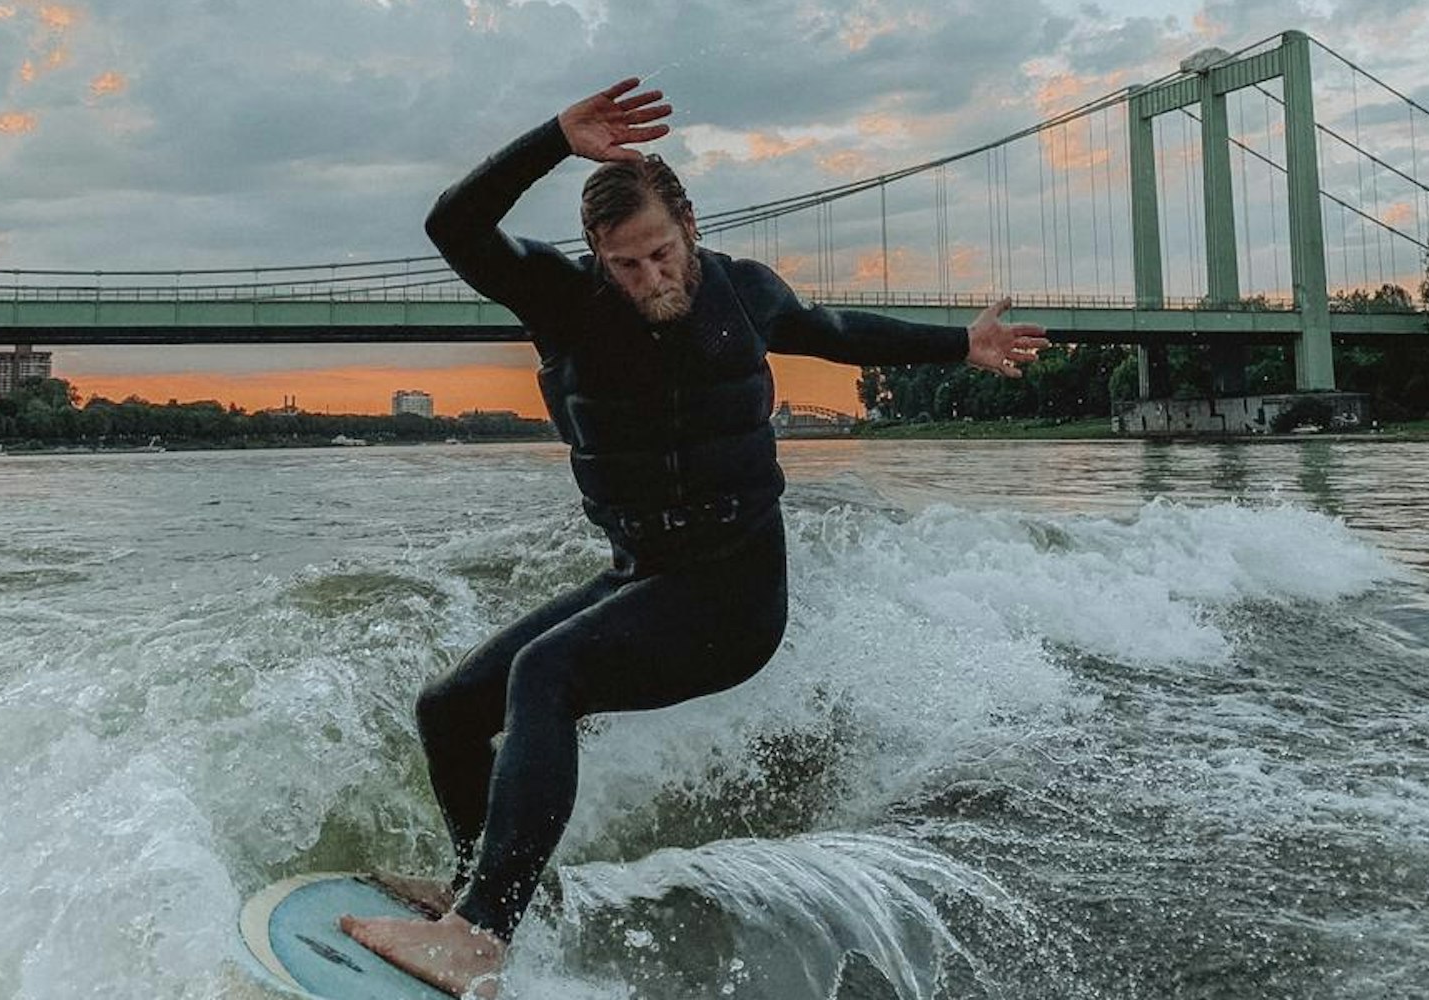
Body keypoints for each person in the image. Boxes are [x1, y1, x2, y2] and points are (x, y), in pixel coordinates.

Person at [339, 77, 1049, 998]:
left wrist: (960, 346)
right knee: (451, 707)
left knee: (541, 676)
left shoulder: (744, 294)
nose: (650, 281)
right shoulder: (562, 301)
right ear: (596, 254)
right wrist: (555, 138)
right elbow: (453, 227)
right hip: (645, 573)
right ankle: (494, 892)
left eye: (662, 256)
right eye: (626, 265)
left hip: (735, 594)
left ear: (690, 226)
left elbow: (837, 332)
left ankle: (481, 932)